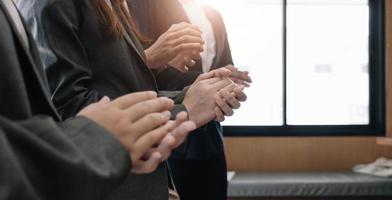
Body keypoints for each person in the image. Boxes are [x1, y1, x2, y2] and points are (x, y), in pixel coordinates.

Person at [18, 0, 247, 199]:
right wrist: (183, 110)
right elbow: (67, 108)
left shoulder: (114, 5)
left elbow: (129, 85)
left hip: (142, 177)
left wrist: (192, 92)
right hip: (109, 182)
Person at [128, 0, 251, 199]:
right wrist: (213, 83)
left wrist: (230, 80)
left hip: (211, 130)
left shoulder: (213, 14)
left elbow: (225, 62)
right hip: (173, 123)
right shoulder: (151, 5)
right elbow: (143, 64)